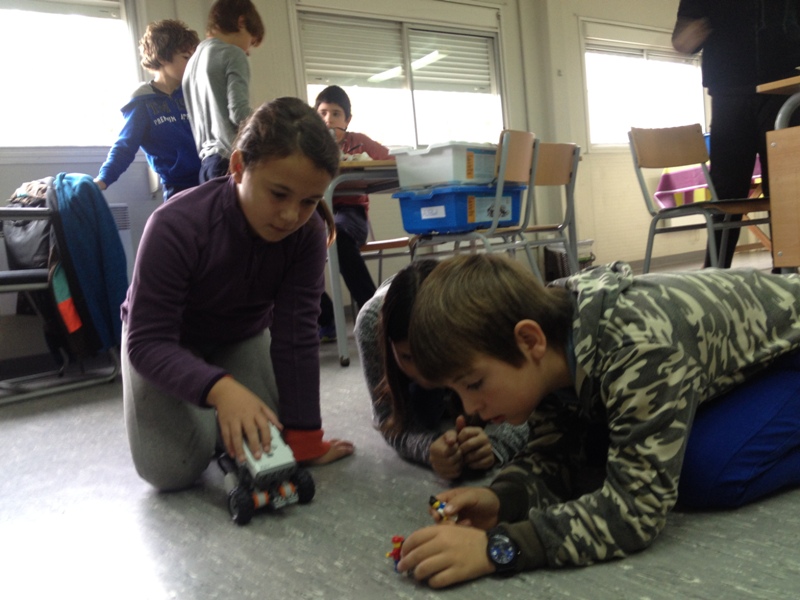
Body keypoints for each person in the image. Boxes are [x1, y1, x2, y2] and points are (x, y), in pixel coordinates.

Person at [396, 254, 800, 588]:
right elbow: (554, 452)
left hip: (790, 353)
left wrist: (498, 547)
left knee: (702, 472)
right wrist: (503, 500)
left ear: (530, 340)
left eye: (474, 384)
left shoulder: (638, 348)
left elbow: (636, 512)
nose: (470, 409)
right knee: (604, 449)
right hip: (729, 364)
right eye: (457, 392)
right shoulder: (549, 340)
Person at [121, 97, 355, 492]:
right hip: (167, 341)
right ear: (238, 166)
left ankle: (213, 407)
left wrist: (304, 439)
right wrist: (220, 390)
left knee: (270, 450)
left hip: (239, 336)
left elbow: (296, 336)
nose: (290, 216)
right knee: (172, 470)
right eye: (278, 194)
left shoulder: (308, 233)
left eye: (309, 201)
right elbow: (147, 341)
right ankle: (203, 404)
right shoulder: (174, 224)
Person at [354, 260, 528, 480]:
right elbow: (389, 420)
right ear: (389, 345)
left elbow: (533, 401)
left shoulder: (485, 312)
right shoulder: (371, 323)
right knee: (424, 414)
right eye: (408, 357)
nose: (426, 373)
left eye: (434, 354)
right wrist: (429, 448)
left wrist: (496, 446)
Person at [671, 0, 800, 268]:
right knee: (728, 189)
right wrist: (686, 38)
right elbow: (682, 38)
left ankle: (788, 271)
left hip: (784, 89)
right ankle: (715, 272)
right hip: (730, 91)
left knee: (786, 186)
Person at [314, 85, 391, 342]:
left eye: (336, 114)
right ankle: (325, 318)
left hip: (351, 213)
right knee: (289, 245)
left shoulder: (359, 142)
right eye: (323, 113)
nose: (328, 120)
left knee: (338, 238)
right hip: (317, 214)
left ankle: (377, 317)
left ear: (347, 120)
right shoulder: (310, 146)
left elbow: (390, 160)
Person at [95, 20, 201, 202]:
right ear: (162, 57)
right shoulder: (142, 101)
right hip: (178, 189)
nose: (193, 64)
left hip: (210, 180)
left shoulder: (194, 94)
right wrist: (102, 180)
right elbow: (125, 146)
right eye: (186, 58)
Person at [182, 0, 264, 184]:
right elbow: (239, 113)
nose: (247, 51)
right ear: (241, 22)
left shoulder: (192, 62)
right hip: (229, 161)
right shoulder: (233, 54)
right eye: (251, 42)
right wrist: (269, 125)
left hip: (206, 165)